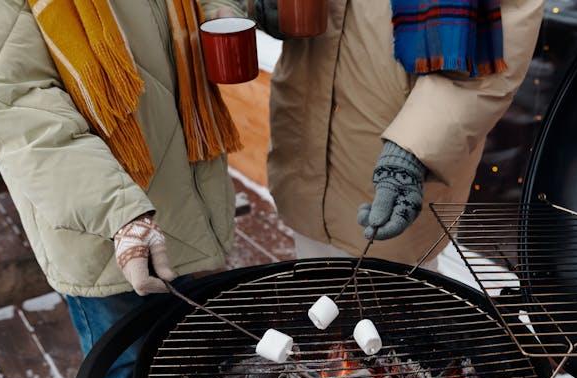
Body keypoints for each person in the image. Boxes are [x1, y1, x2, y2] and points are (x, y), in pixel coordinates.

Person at [0, 0, 245, 378]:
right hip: (99, 216)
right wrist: (120, 212)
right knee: (125, 359)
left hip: (182, 190)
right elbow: (19, 110)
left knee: (185, 340)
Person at [225, 0, 545, 268]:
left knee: (394, 323)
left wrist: (414, 150)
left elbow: (504, 34)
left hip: (397, 165)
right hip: (304, 149)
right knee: (318, 314)